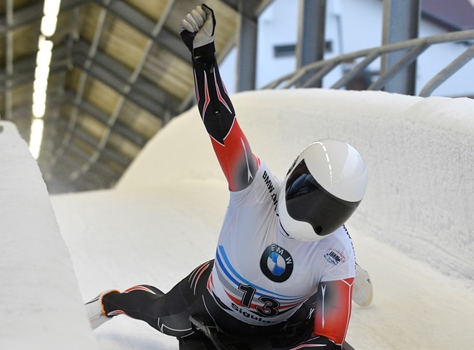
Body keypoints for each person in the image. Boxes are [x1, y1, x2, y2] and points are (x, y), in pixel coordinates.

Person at [85, 5, 372, 349]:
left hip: (283, 329)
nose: (311, 214)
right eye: (308, 194)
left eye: (328, 211)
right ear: (294, 174)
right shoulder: (255, 187)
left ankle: (349, 282)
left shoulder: (335, 251)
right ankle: (109, 303)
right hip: (209, 313)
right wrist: (203, 56)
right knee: (159, 313)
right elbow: (221, 125)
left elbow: (328, 338)